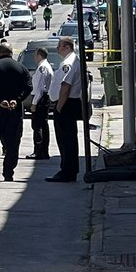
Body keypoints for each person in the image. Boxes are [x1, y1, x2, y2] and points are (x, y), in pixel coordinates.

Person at [0, 44, 34, 181]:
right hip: (14, 111)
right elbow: (29, 87)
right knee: (13, 142)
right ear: (11, 53)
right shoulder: (21, 68)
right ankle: (8, 172)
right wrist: (17, 99)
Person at [46, 37, 82, 182]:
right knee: (68, 138)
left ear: (67, 47)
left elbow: (65, 87)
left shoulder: (69, 63)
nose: (57, 48)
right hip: (67, 103)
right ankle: (69, 169)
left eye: (59, 45)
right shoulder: (71, 61)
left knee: (66, 139)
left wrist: (59, 107)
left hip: (66, 104)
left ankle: (67, 171)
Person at [25, 47, 54, 160]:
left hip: (41, 99)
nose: (34, 57)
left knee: (38, 125)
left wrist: (34, 103)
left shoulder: (42, 68)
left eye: (35, 55)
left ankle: (39, 151)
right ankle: (43, 151)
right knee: (42, 125)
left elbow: (40, 88)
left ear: (39, 55)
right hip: (43, 98)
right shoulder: (45, 66)